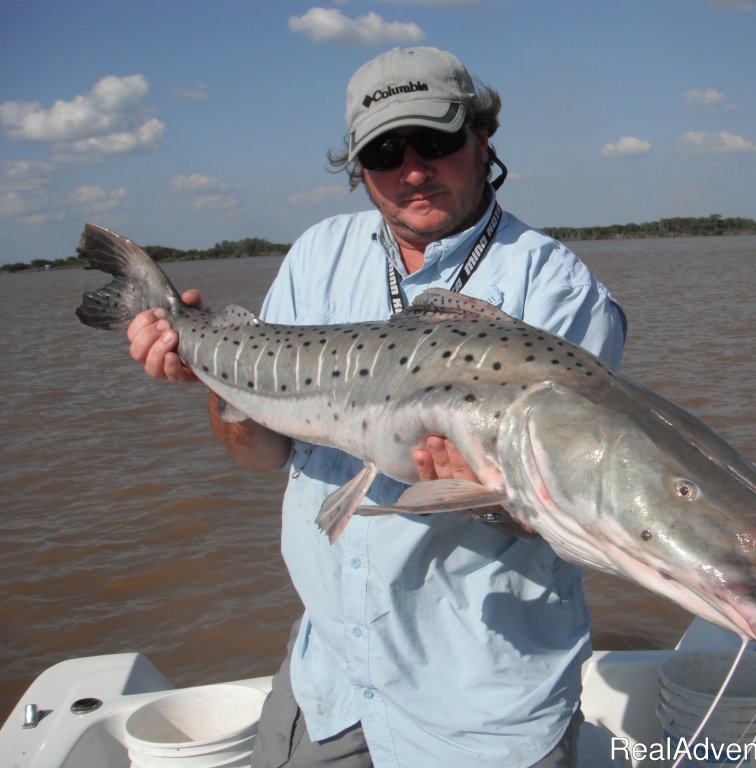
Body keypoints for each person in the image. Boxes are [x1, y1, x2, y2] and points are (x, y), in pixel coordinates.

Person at [127, 47, 626, 768]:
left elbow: (574, 508)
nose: (412, 168)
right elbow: (265, 453)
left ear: (483, 137)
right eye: (385, 150)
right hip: (328, 679)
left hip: (479, 705)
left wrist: (485, 492)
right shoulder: (317, 255)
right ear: (358, 165)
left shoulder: (555, 288)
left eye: (436, 140)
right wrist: (216, 379)